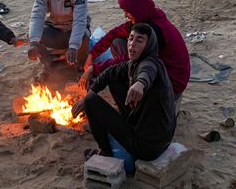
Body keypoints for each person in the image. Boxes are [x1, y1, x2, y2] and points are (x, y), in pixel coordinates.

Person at [72, 24, 176, 161]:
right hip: (160, 138)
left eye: (139, 40)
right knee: (113, 79)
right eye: (131, 38)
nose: (132, 44)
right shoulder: (134, 63)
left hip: (147, 148)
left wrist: (140, 83)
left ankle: (105, 151)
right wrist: (91, 88)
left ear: (149, 45)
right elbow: (109, 73)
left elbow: (147, 72)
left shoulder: (151, 63)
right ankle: (127, 122)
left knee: (91, 100)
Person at [81, 0, 190, 100]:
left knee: (117, 79)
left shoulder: (154, 31)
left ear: (137, 10)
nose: (125, 16)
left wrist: (95, 69)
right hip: (160, 70)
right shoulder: (146, 16)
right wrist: (92, 54)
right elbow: (115, 33)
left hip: (171, 84)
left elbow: (127, 59)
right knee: (117, 42)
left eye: (127, 12)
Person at [27, 0, 90, 72]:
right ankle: (48, 65)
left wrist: (73, 46)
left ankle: (80, 68)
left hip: (72, 29)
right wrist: (34, 42)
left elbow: (80, 20)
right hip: (54, 28)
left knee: (84, 36)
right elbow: (37, 15)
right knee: (33, 36)